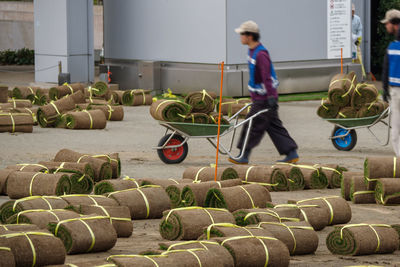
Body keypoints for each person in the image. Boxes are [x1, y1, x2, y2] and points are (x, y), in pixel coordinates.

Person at [229, 20, 298, 165]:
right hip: (261, 97)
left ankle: (244, 155)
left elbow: (267, 77)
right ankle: (291, 153)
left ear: (250, 35)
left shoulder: (261, 55)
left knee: (252, 125)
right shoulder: (252, 51)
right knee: (273, 125)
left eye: (242, 34)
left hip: (265, 98)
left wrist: (272, 97)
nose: (240, 37)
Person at [382, 9, 400, 156]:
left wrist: (384, 89)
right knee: (395, 131)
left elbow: (385, 69)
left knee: (396, 131)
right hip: (394, 91)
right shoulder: (392, 46)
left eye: (387, 23)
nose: (386, 26)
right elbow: (386, 69)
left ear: (394, 23)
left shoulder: (393, 46)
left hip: (396, 92)